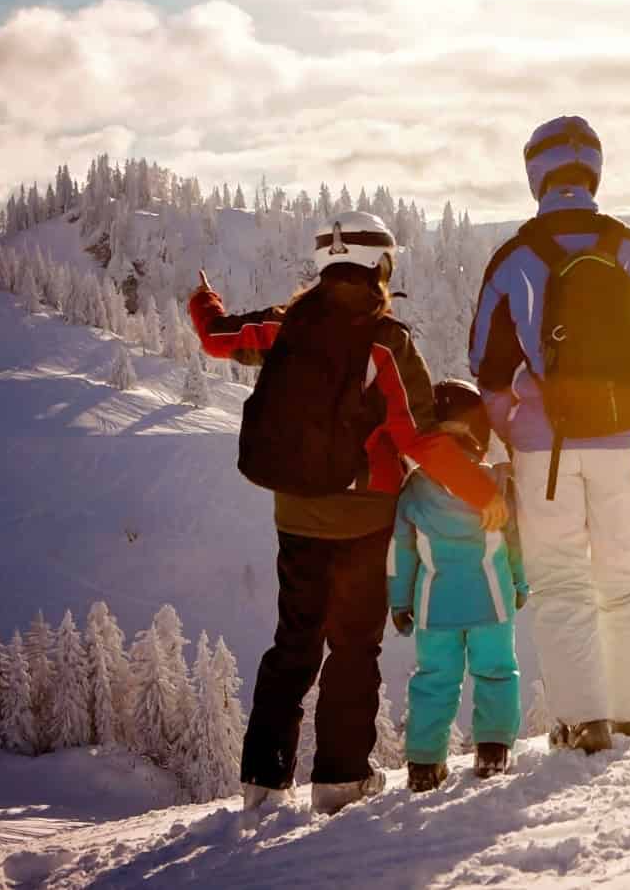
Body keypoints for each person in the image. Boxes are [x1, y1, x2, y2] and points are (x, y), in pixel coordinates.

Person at [188, 211, 505, 816]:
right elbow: (418, 437)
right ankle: (339, 780)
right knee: (354, 646)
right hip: (363, 518)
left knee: (293, 642)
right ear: (379, 266)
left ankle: (263, 780)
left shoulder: (286, 327)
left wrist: (204, 300)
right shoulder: (385, 342)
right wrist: (481, 492)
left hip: (295, 514)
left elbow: (217, 338)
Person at [470, 116, 630, 755]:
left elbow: (486, 363)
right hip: (628, 443)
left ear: (536, 173)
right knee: (624, 575)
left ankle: (585, 722)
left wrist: (515, 428)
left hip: (547, 449)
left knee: (560, 581)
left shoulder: (514, 257)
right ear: (594, 170)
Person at [386, 379, 528, 789]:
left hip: (435, 608)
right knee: (497, 672)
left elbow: (401, 553)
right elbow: (514, 542)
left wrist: (399, 601)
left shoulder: (414, 489)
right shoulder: (495, 485)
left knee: (434, 679)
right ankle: (493, 751)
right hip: (492, 601)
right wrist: (519, 583)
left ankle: (425, 764)